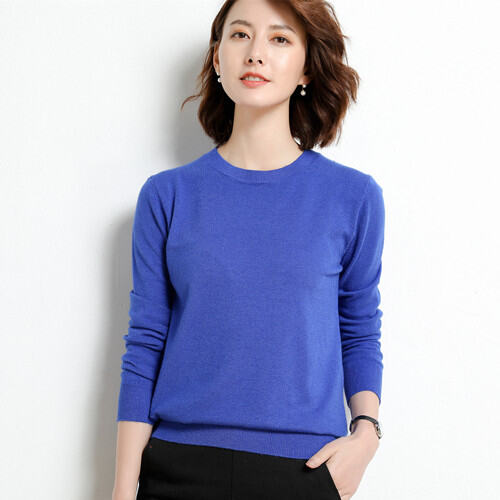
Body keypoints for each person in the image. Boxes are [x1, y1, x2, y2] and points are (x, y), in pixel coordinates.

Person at [112, 0, 386, 499]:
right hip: (178, 467)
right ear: (218, 58)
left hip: (304, 470)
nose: (255, 52)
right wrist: (121, 491)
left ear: (307, 68)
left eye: (279, 38)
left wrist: (366, 434)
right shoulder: (167, 196)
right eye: (240, 35)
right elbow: (146, 343)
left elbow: (359, 328)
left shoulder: (353, 197)